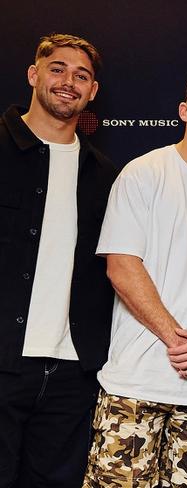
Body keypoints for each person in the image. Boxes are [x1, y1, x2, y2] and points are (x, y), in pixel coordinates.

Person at [83, 69, 187, 488]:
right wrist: (175, 337)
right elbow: (121, 266)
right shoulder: (143, 173)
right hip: (134, 382)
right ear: (184, 111)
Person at [0, 34, 117, 487]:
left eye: (81, 76)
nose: (68, 81)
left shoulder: (105, 174)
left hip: (71, 373)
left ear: (92, 92)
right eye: (57, 69)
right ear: (34, 75)